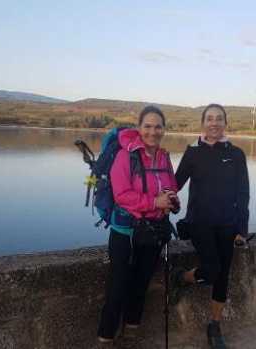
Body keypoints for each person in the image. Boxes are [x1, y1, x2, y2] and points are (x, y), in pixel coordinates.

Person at [97, 106, 180, 346]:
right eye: (147, 126)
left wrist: (172, 201)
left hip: (153, 231)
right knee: (117, 286)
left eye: (158, 126)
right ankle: (106, 338)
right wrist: (155, 201)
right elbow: (122, 194)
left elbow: (171, 187)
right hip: (126, 232)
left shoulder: (164, 157)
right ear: (139, 128)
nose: (152, 131)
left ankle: (131, 332)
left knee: (141, 283)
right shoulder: (126, 155)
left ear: (163, 129)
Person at [173, 103, 250, 348]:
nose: (214, 123)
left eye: (219, 119)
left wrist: (242, 229)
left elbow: (243, 193)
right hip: (199, 222)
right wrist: (158, 198)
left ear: (225, 123)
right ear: (203, 123)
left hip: (228, 224)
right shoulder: (192, 152)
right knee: (212, 269)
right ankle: (182, 277)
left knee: (223, 276)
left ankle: (215, 325)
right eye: (209, 118)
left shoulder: (236, 154)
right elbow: (174, 184)